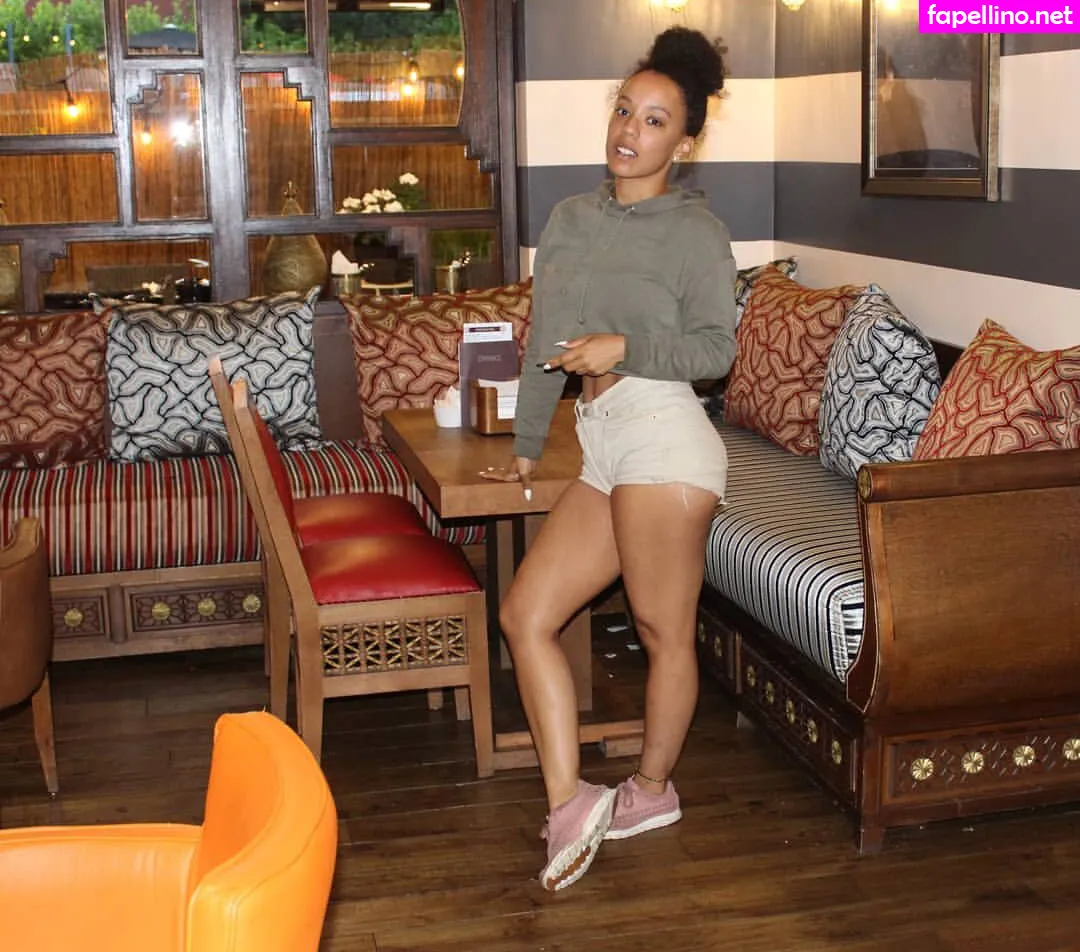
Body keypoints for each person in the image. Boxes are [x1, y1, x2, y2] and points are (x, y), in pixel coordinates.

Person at [482, 26, 737, 892]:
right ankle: (571, 802)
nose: (630, 129)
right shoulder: (569, 220)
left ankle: (652, 791)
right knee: (525, 614)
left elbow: (715, 351)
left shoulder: (696, 232)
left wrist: (625, 346)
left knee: (662, 630)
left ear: (684, 143)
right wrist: (526, 446)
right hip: (602, 441)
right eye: (625, 110)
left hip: (664, 436)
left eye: (655, 120)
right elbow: (544, 341)